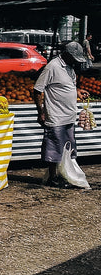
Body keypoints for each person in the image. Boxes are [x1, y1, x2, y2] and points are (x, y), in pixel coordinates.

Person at [32, 40, 90, 186]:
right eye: (74, 58)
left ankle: (65, 174)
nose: (75, 61)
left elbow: (66, 86)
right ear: (66, 54)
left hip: (69, 115)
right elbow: (38, 90)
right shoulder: (52, 67)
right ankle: (52, 177)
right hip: (56, 116)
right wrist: (41, 112)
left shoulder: (70, 67)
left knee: (68, 148)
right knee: (54, 147)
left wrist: (77, 91)